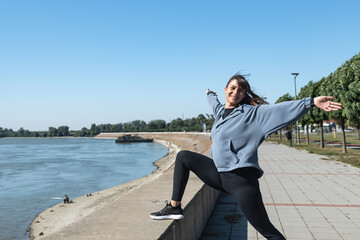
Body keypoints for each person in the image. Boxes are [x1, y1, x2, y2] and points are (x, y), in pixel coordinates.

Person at [149, 74, 342, 239]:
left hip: (242, 180)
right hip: (220, 175)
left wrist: (311, 102)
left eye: (240, 90)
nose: (235, 92)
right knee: (184, 156)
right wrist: (210, 94)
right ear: (226, 89)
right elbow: (214, 103)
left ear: (244, 94)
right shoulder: (220, 113)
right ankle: (175, 207)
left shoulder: (252, 114)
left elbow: (280, 110)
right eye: (232, 88)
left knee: (266, 230)